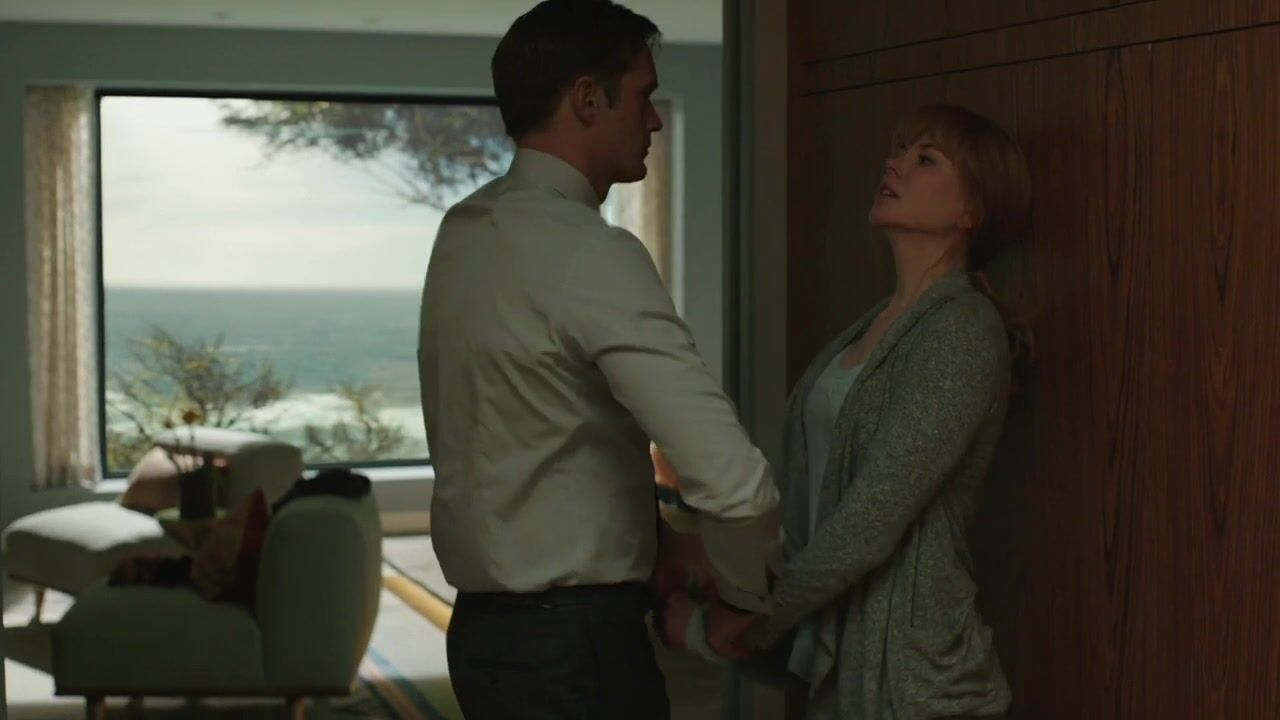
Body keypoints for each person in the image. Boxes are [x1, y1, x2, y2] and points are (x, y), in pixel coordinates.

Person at [416, 1, 780, 718]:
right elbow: (731, 479)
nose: (654, 121)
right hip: (574, 651)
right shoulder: (592, 251)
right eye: (642, 96)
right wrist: (745, 599)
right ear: (587, 99)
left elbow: (530, 428)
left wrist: (655, 540)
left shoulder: (462, 233)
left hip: (482, 640)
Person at [664, 104, 1031, 720]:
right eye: (899, 151)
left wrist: (746, 622)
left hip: (918, 687)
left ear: (972, 211)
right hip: (842, 677)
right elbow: (814, 508)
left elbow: (870, 518)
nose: (894, 164)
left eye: (926, 159)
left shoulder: (962, 329)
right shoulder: (871, 327)